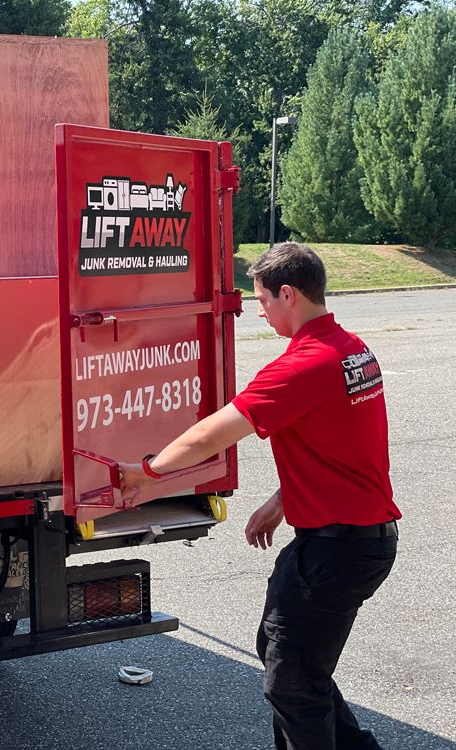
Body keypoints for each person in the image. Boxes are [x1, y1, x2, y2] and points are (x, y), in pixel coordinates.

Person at [119, 242, 401, 750]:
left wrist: (147, 473)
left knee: (292, 682)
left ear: (288, 294)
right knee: (283, 653)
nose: (260, 313)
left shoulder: (303, 365)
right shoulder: (350, 349)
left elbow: (211, 433)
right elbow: (340, 446)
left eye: (263, 302)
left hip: (338, 548)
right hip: (355, 539)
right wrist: (282, 499)